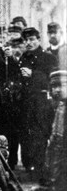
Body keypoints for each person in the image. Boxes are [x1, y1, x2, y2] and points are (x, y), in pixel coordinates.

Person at [19, 27, 58, 181]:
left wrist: (33, 74)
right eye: (26, 40)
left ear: (38, 40)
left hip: (42, 103)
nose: (28, 43)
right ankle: (29, 168)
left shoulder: (49, 58)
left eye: (31, 40)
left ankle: (40, 170)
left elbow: (53, 80)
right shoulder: (23, 57)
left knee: (40, 136)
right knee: (26, 136)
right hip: (25, 103)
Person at [0, 37, 26, 169]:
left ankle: (11, 161)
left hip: (13, 100)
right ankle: (0, 161)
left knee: (13, 132)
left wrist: (11, 59)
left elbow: (15, 74)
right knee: (0, 130)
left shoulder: (10, 58)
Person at [44, 70, 67, 191]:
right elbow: (54, 140)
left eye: (62, 85)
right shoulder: (60, 107)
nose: (57, 90)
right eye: (54, 87)